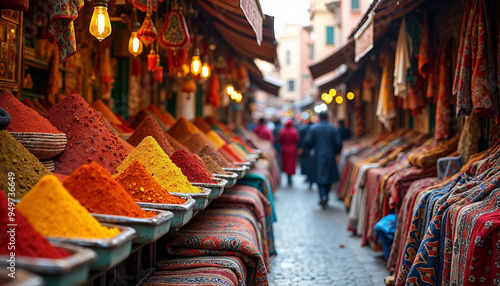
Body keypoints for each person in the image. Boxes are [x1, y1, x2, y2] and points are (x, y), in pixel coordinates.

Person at [305, 111, 342, 208]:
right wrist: (336, 153)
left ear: (319, 118)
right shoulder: (333, 129)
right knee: (329, 176)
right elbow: (338, 143)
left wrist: (313, 148)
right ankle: (325, 195)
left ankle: (323, 196)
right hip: (330, 155)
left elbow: (308, 142)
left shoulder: (314, 129)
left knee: (319, 177)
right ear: (328, 118)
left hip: (317, 155)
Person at [278, 119, 300, 186]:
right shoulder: (294, 131)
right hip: (292, 149)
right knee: (291, 164)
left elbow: (279, 140)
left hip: (285, 149)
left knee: (286, 164)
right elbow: (297, 140)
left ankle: (288, 177)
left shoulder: (282, 131)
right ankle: (290, 177)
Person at [298, 120, 313, 189]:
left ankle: (308, 177)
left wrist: (300, 147)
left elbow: (300, 139)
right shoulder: (313, 130)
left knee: (306, 163)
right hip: (310, 150)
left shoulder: (303, 129)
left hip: (305, 149)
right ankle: (310, 178)